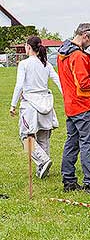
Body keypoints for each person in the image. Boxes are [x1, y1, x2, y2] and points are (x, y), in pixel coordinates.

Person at [57, 23, 90, 193]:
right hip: (82, 106)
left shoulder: (62, 53)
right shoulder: (78, 56)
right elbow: (84, 83)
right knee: (88, 143)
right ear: (85, 36)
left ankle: (69, 181)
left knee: (72, 143)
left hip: (71, 105)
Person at [10, 36, 62, 179]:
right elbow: (58, 81)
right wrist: (67, 96)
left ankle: (43, 161)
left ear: (28, 47)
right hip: (46, 103)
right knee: (43, 136)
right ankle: (43, 168)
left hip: (30, 105)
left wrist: (13, 105)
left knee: (25, 137)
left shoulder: (24, 64)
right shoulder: (46, 64)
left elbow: (19, 85)